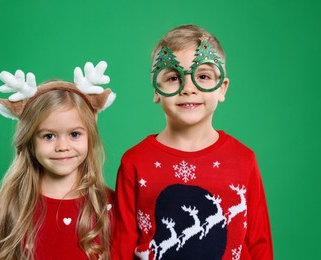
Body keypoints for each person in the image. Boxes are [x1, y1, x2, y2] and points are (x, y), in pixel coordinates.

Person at [112, 24, 273, 259]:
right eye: (174, 77)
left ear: (222, 89)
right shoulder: (134, 161)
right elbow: (121, 245)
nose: (189, 89)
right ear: (156, 90)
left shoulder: (243, 159)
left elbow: (260, 242)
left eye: (203, 76)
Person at [0, 61, 116, 259]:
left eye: (74, 134)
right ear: (30, 141)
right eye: (48, 136)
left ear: (90, 135)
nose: (62, 146)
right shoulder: (11, 207)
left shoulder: (108, 204)